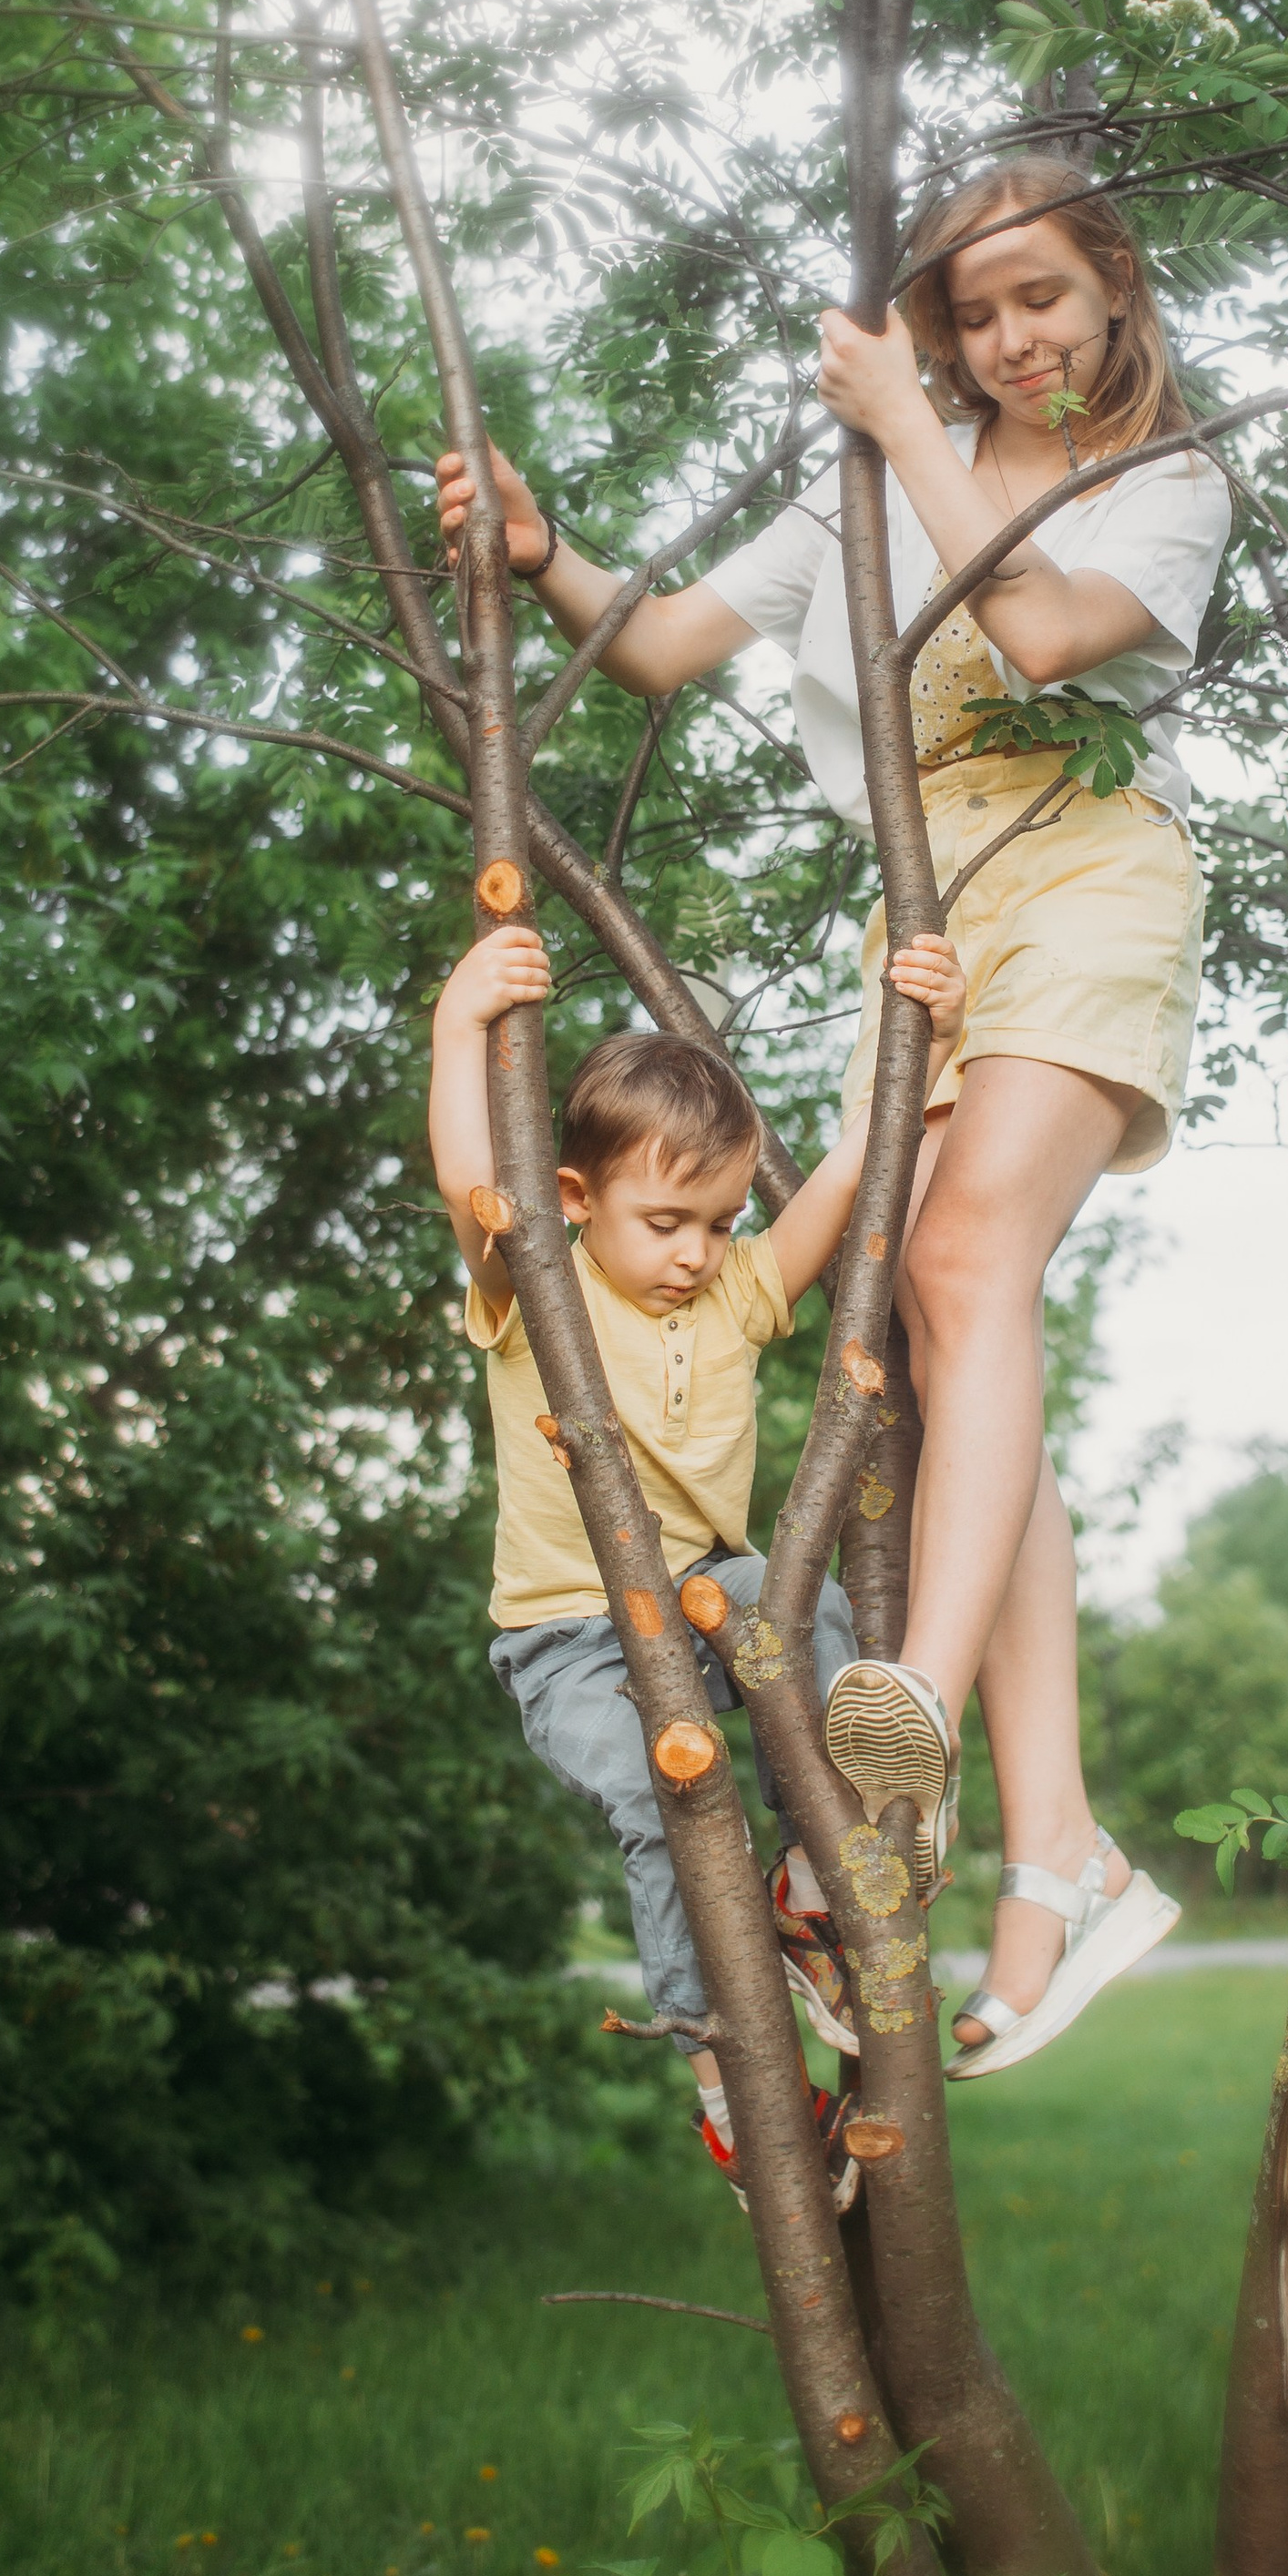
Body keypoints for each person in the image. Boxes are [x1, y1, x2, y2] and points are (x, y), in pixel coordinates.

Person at [436, 158, 1230, 2077]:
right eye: (969, 315)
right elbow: (661, 645)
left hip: (1084, 879)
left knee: (963, 1263)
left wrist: (896, 419)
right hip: (930, 913)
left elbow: (1042, 632)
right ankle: (1059, 1850)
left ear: (1111, 283)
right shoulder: (877, 470)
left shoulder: (1167, 482)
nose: (1009, 339)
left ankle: (903, 1730)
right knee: (952, 1352)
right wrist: (544, 551)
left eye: (1040, 295)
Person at [429, 914, 965, 2196]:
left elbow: (855, 1180)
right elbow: (467, 1180)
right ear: (575, 1200)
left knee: (810, 1603)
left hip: (703, 1597)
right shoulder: (537, 1287)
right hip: (569, 1642)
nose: (695, 1253)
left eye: (719, 1221)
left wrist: (930, 1050)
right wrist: (461, 1023)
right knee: (668, 1800)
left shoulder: (730, 1289)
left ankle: (810, 1867)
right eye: (668, 1220)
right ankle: (725, 2071)